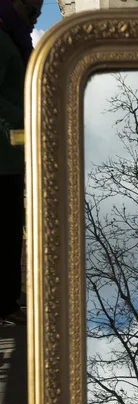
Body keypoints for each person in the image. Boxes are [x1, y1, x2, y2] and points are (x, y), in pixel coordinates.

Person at [0, 0, 42, 325]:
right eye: (33, 8)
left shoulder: (16, 39)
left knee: (11, 227)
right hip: (3, 155)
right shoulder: (4, 37)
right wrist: (26, 117)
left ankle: (6, 303)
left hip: (11, 156)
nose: (36, 15)